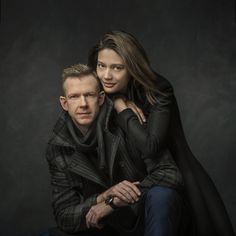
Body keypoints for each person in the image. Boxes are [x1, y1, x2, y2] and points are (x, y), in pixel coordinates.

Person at [88, 30, 235, 236]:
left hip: (169, 177)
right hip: (122, 185)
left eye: (117, 68)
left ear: (132, 68)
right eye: (101, 65)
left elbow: (150, 146)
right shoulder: (101, 88)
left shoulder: (158, 89)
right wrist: (116, 99)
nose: (106, 75)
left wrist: (122, 109)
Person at [46, 63, 182, 236]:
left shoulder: (127, 120)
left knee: (163, 195)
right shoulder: (58, 147)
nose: (83, 104)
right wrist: (103, 198)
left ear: (101, 98)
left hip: (143, 216)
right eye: (74, 97)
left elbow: (170, 174)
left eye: (89, 95)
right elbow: (64, 216)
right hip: (105, 226)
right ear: (64, 103)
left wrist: (114, 201)